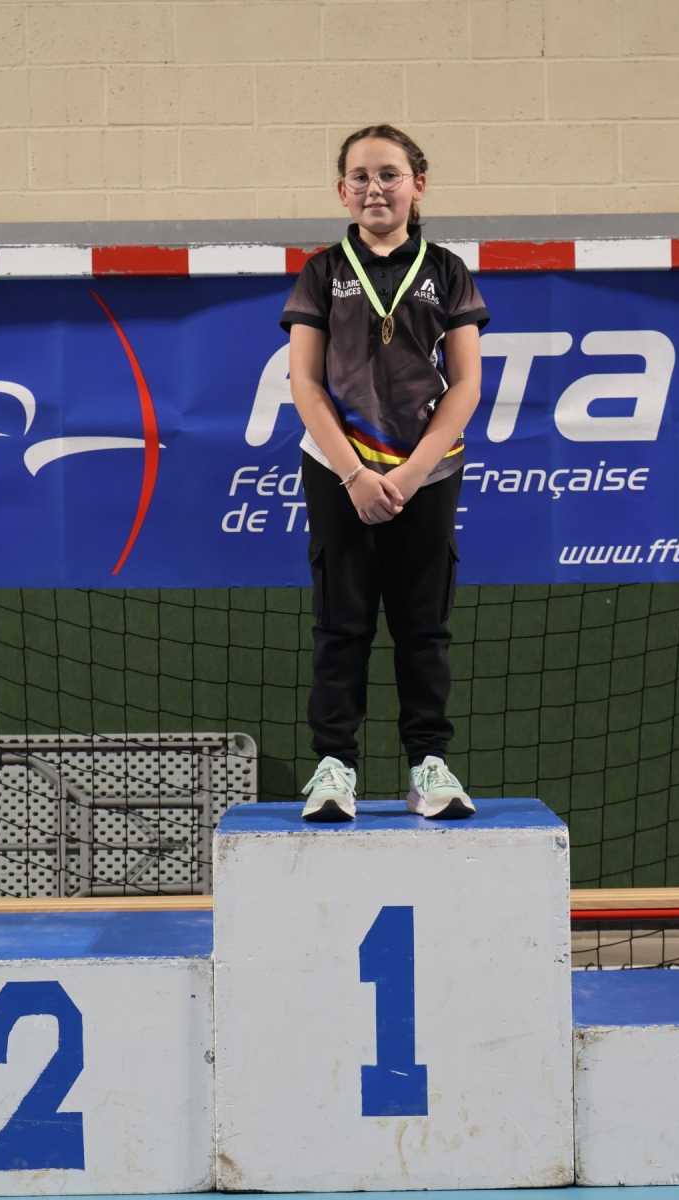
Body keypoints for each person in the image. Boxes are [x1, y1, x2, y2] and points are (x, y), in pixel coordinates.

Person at [280, 124, 489, 822]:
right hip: (340, 472)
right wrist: (355, 476)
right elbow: (305, 384)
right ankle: (334, 767)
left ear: (417, 185)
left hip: (426, 474)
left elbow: (466, 385)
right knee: (341, 625)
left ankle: (429, 765)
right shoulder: (320, 272)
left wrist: (413, 471)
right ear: (341, 190)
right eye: (361, 176)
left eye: (390, 174)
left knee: (423, 627)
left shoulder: (448, 271)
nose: (375, 187)